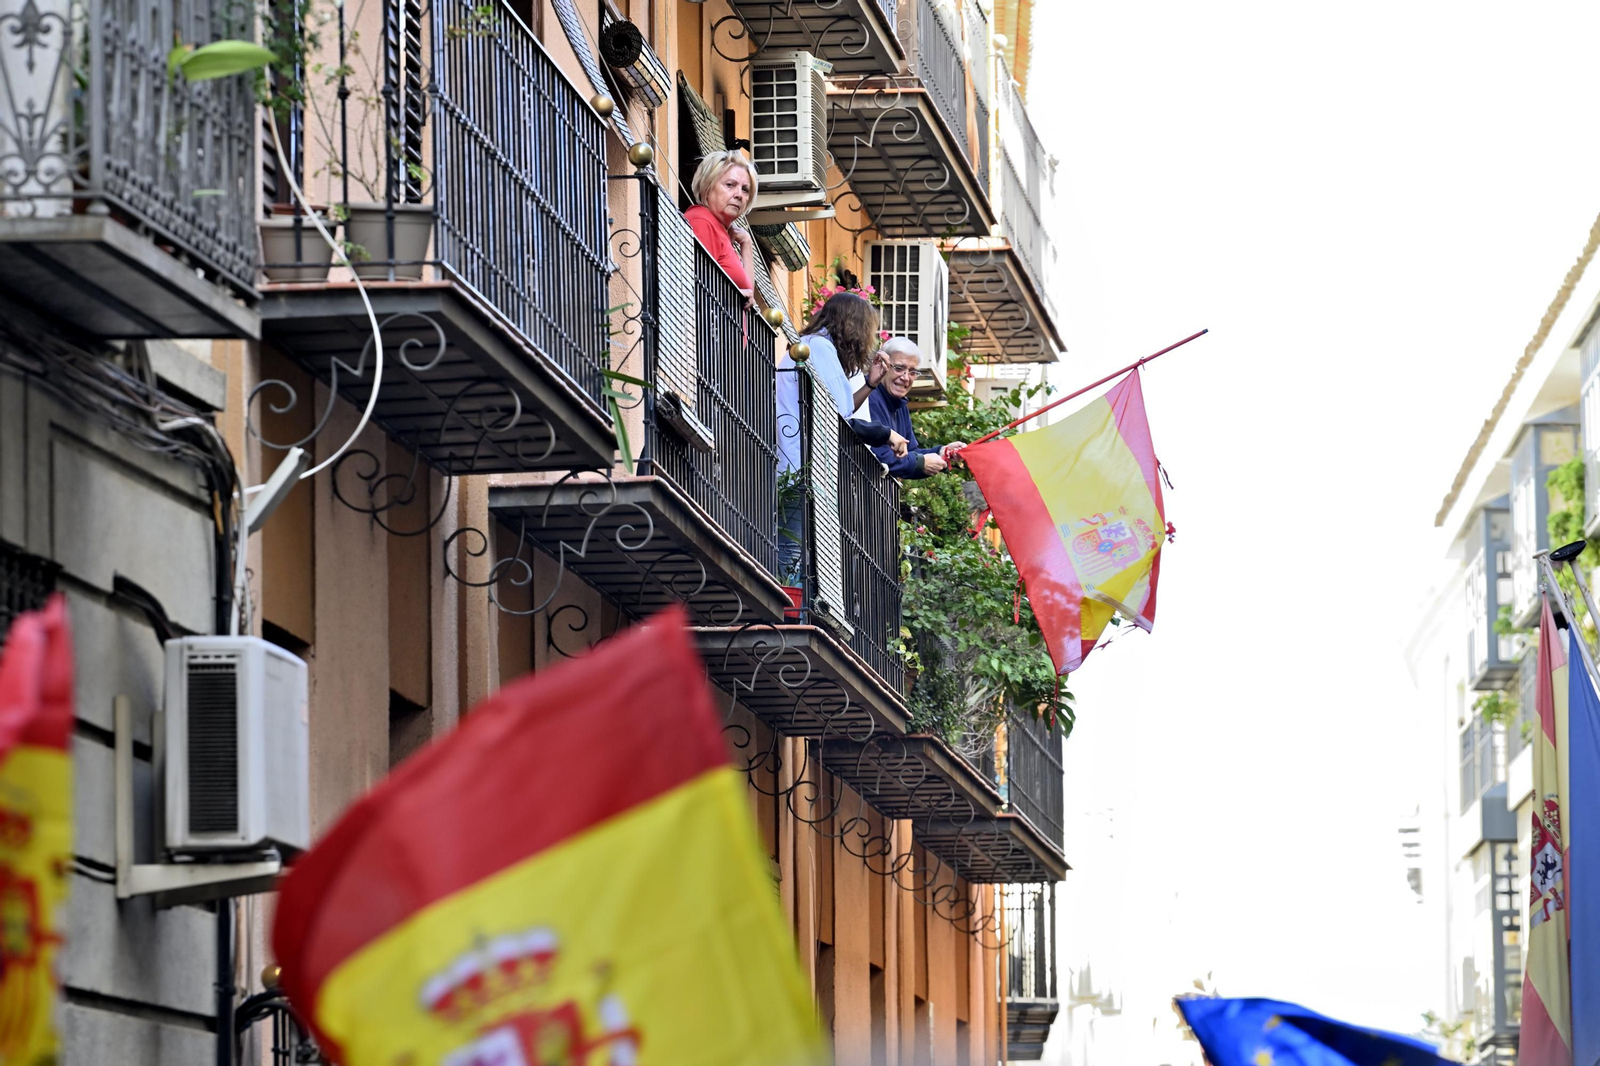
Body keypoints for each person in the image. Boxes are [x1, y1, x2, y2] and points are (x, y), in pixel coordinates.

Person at [866, 337, 968, 478]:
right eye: (899, 368)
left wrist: (942, 452)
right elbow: (879, 457)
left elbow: (910, 452)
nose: (906, 377)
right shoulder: (869, 396)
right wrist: (920, 463)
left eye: (913, 372)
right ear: (883, 364)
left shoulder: (900, 404)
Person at [683, 150, 758, 297]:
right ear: (707, 188)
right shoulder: (702, 221)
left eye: (745, 190)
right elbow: (696, 286)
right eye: (730, 185)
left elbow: (749, 296)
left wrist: (746, 244)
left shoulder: (721, 230)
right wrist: (736, 297)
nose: (739, 195)